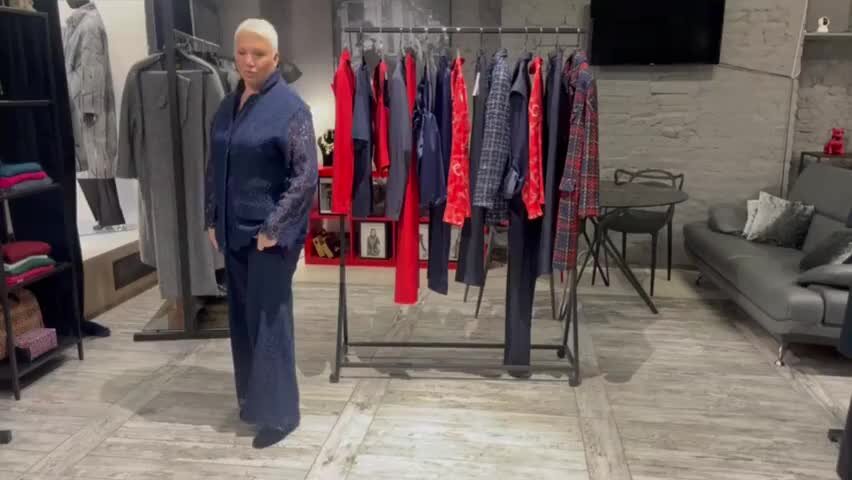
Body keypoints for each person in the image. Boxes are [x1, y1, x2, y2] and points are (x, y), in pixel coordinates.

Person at [204, 18, 318, 449]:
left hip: (270, 239)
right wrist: (211, 217)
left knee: (269, 320)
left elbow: (305, 178)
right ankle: (253, 401)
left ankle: (281, 414)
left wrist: (275, 227)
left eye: (259, 54)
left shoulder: (291, 109)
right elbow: (214, 165)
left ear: (276, 57)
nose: (249, 62)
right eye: (242, 53)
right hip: (232, 232)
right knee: (241, 318)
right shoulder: (226, 106)